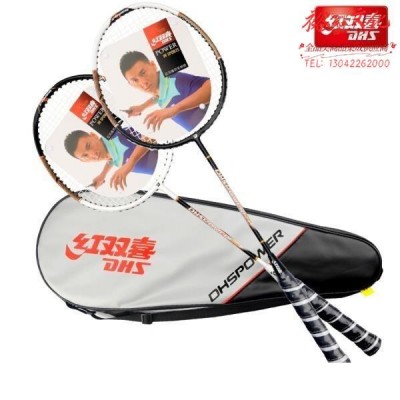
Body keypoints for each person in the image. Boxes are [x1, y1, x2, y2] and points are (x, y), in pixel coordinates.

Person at [119, 51, 211, 132]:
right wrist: (142, 107)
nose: (143, 82)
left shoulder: (174, 79)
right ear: (130, 84)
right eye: (135, 80)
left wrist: (174, 109)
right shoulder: (161, 90)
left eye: (143, 73)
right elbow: (159, 96)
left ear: (153, 65)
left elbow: (211, 87)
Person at [64, 129, 158, 191]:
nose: (93, 154)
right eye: (85, 156)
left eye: (89, 146)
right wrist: (102, 175)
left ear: (94, 135)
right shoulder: (111, 156)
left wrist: (130, 162)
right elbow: (111, 160)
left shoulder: (118, 134)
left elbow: (152, 134)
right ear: (84, 161)